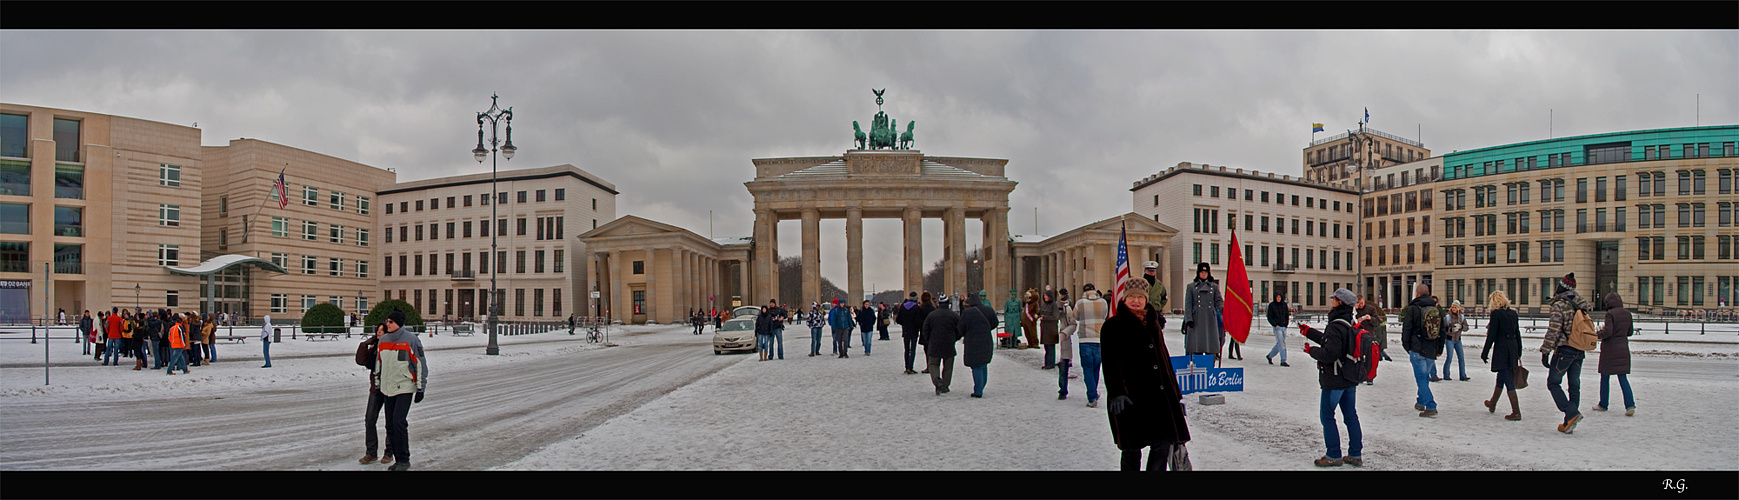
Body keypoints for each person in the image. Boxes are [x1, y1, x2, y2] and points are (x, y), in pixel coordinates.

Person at [1102, 277, 1190, 471]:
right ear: (1124, 299)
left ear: (1146, 299)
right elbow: (1110, 363)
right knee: (1132, 450)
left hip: (1159, 398)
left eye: (1140, 297)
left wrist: (1175, 395)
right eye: (1131, 296)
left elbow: (1164, 360)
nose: (1136, 301)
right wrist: (1117, 393)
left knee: (1162, 444)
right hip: (1131, 399)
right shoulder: (1112, 326)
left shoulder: (1153, 322)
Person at [1302, 288, 1363, 467]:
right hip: (1349, 377)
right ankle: (1355, 453)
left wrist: (1311, 351)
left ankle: (1333, 454)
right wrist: (1309, 332)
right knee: (1350, 415)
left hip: (1335, 379)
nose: (1331, 302)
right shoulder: (1347, 322)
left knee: (1327, 416)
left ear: (1340, 303)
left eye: (1334, 299)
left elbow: (1330, 353)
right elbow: (1331, 341)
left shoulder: (1335, 325)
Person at [373, 310, 427, 471]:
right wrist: (378, 384)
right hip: (387, 388)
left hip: (404, 387)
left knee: (398, 422)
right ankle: (397, 458)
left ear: (399, 323)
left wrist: (420, 388)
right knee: (390, 425)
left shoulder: (411, 340)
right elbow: (379, 363)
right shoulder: (383, 340)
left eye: (390, 321)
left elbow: (420, 365)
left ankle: (404, 459)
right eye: (387, 321)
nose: (387, 324)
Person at [1543, 273, 1593, 434]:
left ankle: (1571, 413)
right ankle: (1569, 422)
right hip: (1579, 348)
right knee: (1574, 385)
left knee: (1553, 382)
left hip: (1564, 349)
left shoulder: (1560, 305)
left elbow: (1554, 329)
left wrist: (1546, 350)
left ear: (1561, 287)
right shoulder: (1580, 304)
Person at [1400, 282, 1443, 417]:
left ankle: (1430, 405)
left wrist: (1407, 346)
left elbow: (1407, 328)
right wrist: (1439, 348)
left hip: (1417, 348)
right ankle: (1420, 401)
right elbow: (1442, 330)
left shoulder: (1413, 308)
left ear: (1417, 294)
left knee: (1421, 379)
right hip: (1432, 349)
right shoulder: (1436, 308)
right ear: (1429, 293)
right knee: (1424, 377)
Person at [1480, 290, 1523, 421]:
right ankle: (1492, 403)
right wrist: (1519, 351)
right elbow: (1517, 332)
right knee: (1502, 377)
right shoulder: (1513, 313)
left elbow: (1491, 335)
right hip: (1512, 347)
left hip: (1502, 349)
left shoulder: (1496, 314)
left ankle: (1516, 412)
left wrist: (1485, 352)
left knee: (1507, 379)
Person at [357, 323, 394, 465]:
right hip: (375, 389)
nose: (379, 333)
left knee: (390, 422)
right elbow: (361, 360)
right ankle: (371, 452)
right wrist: (364, 345)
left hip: (390, 388)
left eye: (381, 331)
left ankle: (389, 452)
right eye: (377, 331)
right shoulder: (374, 347)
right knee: (369, 419)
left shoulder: (390, 347)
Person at [1593, 291, 1635, 417]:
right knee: (1623, 378)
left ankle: (1603, 404)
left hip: (1609, 350)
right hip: (1623, 348)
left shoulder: (1610, 314)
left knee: (1605, 377)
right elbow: (1630, 332)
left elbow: (1608, 332)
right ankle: (1630, 405)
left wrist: (1597, 335)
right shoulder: (1627, 314)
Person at [1072, 284, 1108, 407]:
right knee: (1096, 367)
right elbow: (1105, 315)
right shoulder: (1103, 302)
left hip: (1085, 338)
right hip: (1098, 338)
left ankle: (1092, 396)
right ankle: (1094, 392)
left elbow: (1075, 316)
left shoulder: (1080, 303)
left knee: (1087, 368)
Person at [959, 292, 998, 398]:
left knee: (976, 366)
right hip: (986, 339)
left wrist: (965, 333)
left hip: (972, 341)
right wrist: (986, 329)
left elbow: (961, 328)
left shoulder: (967, 312)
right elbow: (995, 323)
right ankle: (981, 386)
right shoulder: (988, 310)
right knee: (983, 364)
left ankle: (978, 391)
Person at [920, 295, 961, 395]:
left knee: (933, 364)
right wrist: (955, 338)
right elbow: (960, 329)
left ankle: (937, 381)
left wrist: (929, 339)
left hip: (935, 344)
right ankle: (945, 386)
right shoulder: (954, 316)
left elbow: (925, 329)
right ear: (948, 304)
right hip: (949, 343)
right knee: (948, 367)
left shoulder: (932, 315)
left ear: (939, 303)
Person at [1183, 263, 1222, 357]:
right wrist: (1188, 319)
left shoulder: (1214, 287)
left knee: (1210, 348)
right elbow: (1188, 304)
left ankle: (1210, 367)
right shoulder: (1191, 287)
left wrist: (1225, 309)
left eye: (1205, 272)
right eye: (1202, 272)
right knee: (1197, 348)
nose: (1204, 274)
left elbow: (1219, 301)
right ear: (1198, 273)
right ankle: (1197, 367)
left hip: (1210, 321)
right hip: (1196, 320)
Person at [895, 293, 927, 373]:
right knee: (912, 349)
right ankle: (911, 367)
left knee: (906, 349)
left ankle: (906, 367)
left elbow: (898, 319)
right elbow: (918, 321)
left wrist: (905, 324)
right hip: (914, 331)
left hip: (905, 330)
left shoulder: (903, 307)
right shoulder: (916, 307)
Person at [1442, 300, 1470, 381]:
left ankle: (1463, 375)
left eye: (1455, 307)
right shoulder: (1447, 317)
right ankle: (1446, 375)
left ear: (1458, 308)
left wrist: (1461, 327)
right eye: (1452, 307)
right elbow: (1443, 329)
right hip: (1449, 339)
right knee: (1449, 357)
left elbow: (1466, 327)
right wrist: (1450, 329)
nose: (1453, 309)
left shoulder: (1461, 317)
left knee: (1461, 358)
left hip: (1458, 339)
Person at [1358, 295, 1391, 364]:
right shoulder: (1355, 310)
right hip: (1358, 336)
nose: (1360, 305)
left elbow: (1377, 321)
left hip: (1369, 335)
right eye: (1359, 303)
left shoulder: (1371, 309)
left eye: (1362, 303)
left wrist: (1370, 318)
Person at [1057, 288, 1076, 399]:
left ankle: (1063, 390)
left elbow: (1072, 323)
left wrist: (1064, 333)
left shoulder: (1066, 307)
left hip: (1064, 337)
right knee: (1063, 362)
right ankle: (1062, 389)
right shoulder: (1062, 306)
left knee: (1064, 363)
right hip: (1061, 336)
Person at [1265, 293, 1291, 366]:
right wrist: (1274, 324)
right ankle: (1283, 360)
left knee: (1279, 344)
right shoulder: (1272, 305)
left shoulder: (1284, 305)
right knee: (1282, 344)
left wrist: (1286, 324)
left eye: (1279, 297)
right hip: (1277, 327)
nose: (1278, 299)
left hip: (1283, 326)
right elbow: (1269, 316)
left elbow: (1286, 314)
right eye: (1277, 297)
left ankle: (1269, 356)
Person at [1039, 285, 1060, 369]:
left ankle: (1050, 363)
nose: (1045, 297)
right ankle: (1047, 362)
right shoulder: (1044, 305)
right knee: (1046, 347)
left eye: (1046, 296)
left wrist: (1045, 318)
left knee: (1050, 347)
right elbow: (1040, 312)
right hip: (1045, 329)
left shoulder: (1054, 305)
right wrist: (1037, 315)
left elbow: (1055, 317)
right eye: (1044, 296)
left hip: (1051, 330)